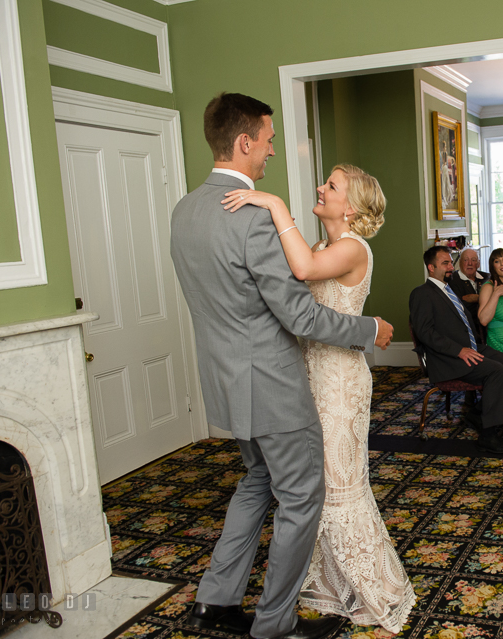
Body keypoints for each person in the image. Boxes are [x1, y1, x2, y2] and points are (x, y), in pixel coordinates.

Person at [171, 93, 392, 639]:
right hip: (273, 385)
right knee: (300, 497)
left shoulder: (185, 210)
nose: (272, 151)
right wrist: (370, 330)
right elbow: (301, 317)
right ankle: (274, 623)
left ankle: (213, 602)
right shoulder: (251, 219)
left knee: (255, 482)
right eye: (268, 141)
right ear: (245, 142)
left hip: (225, 383)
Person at [222, 163, 415, 634]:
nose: (320, 188)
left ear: (350, 207)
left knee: (340, 483)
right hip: (309, 373)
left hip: (340, 380)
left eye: (331, 185)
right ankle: (331, 583)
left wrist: (272, 203)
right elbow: (292, 292)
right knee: (316, 484)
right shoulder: (324, 246)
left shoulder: (352, 248)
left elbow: (303, 272)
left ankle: (376, 588)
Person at [410, 247, 503, 454]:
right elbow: (425, 333)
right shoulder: (422, 294)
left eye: (451, 263)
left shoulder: (448, 289)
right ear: (431, 267)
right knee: (495, 370)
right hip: (448, 358)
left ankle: (478, 414)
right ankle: (488, 435)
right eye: (445, 264)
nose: (451, 267)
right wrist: (459, 350)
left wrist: (472, 346)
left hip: (472, 347)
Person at [448, 248, 489, 333]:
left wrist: (478, 298)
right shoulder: (452, 280)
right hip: (466, 329)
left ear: (478, 264)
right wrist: (486, 300)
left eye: (473, 260)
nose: (470, 263)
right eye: (466, 260)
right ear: (460, 263)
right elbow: (461, 307)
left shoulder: (487, 277)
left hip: (489, 324)